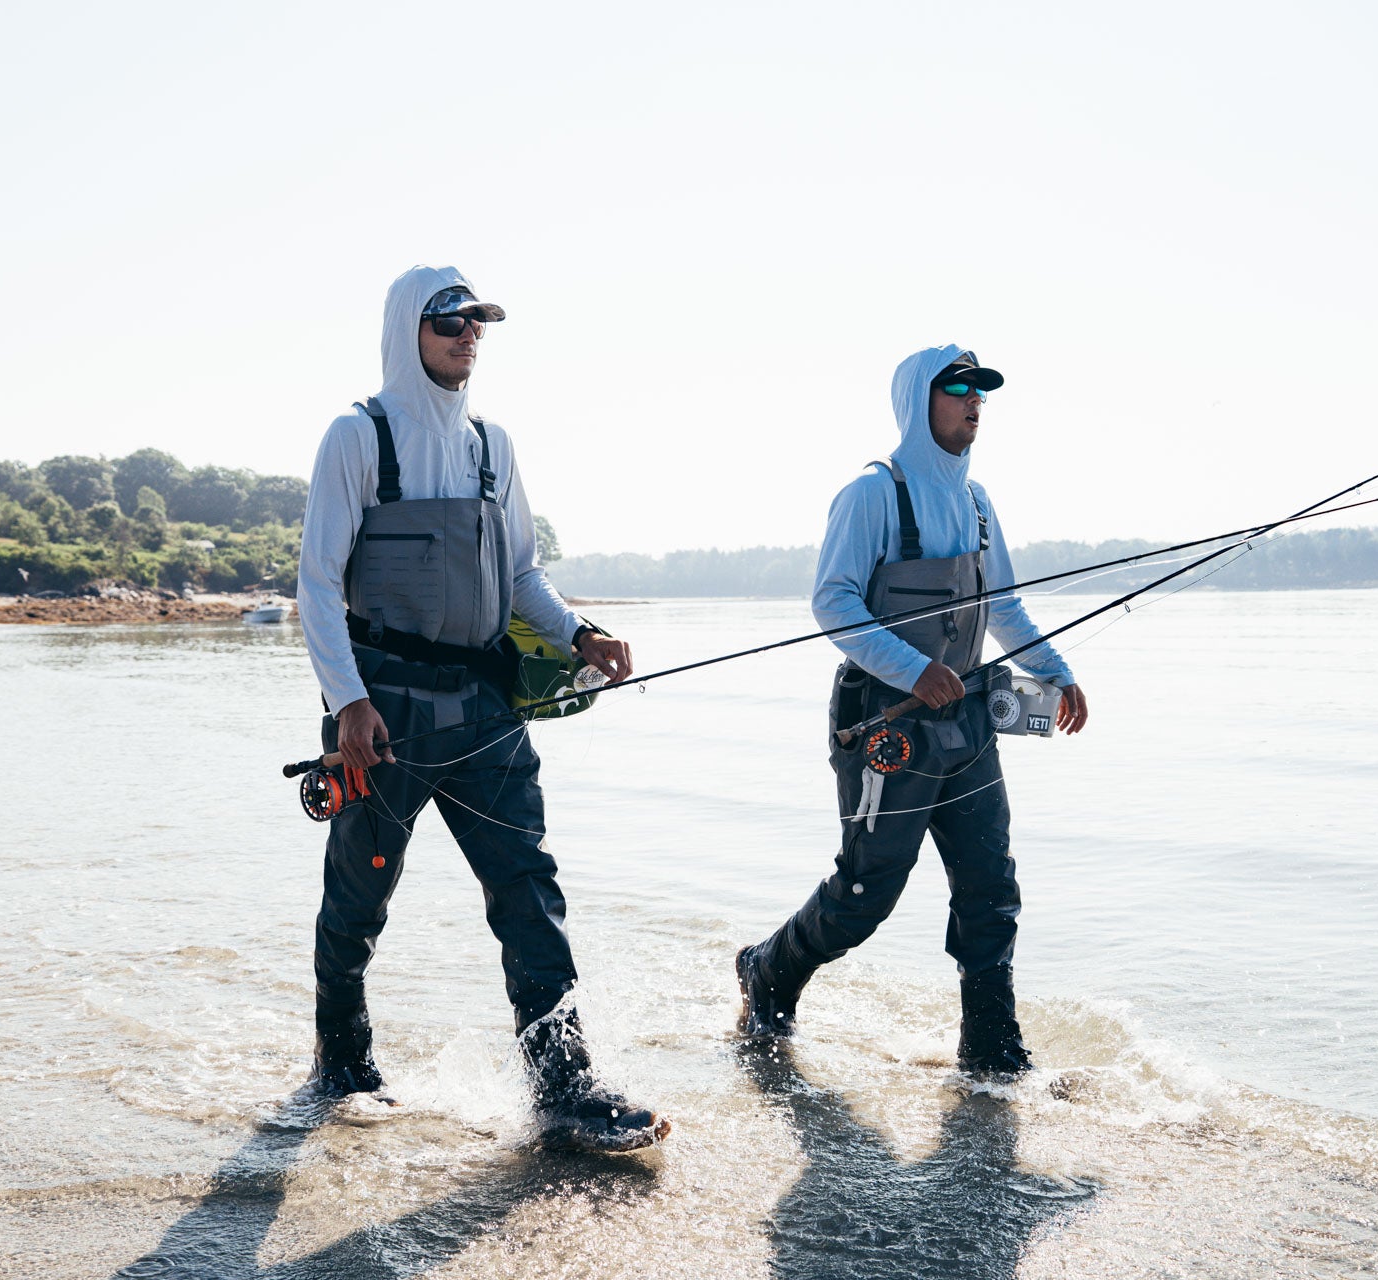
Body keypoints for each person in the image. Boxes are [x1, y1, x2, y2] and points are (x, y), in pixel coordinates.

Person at [296, 264, 667, 1151]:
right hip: (383, 717)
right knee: (359, 899)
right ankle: (341, 1063)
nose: (469, 335)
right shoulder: (357, 438)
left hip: (489, 710)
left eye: (479, 322)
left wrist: (580, 634)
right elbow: (315, 584)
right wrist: (348, 703)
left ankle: (566, 1087)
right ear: (406, 330)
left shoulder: (495, 446)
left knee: (528, 893)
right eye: (450, 320)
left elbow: (522, 575)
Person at [734, 344, 1089, 1076]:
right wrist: (914, 669)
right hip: (885, 728)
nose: (974, 402)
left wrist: (1057, 675)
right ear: (916, 400)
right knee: (864, 898)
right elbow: (831, 603)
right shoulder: (872, 494)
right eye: (958, 388)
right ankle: (767, 970)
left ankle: (992, 1052)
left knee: (992, 887)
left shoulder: (979, 501)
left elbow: (1009, 608)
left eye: (981, 391)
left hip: (969, 724)